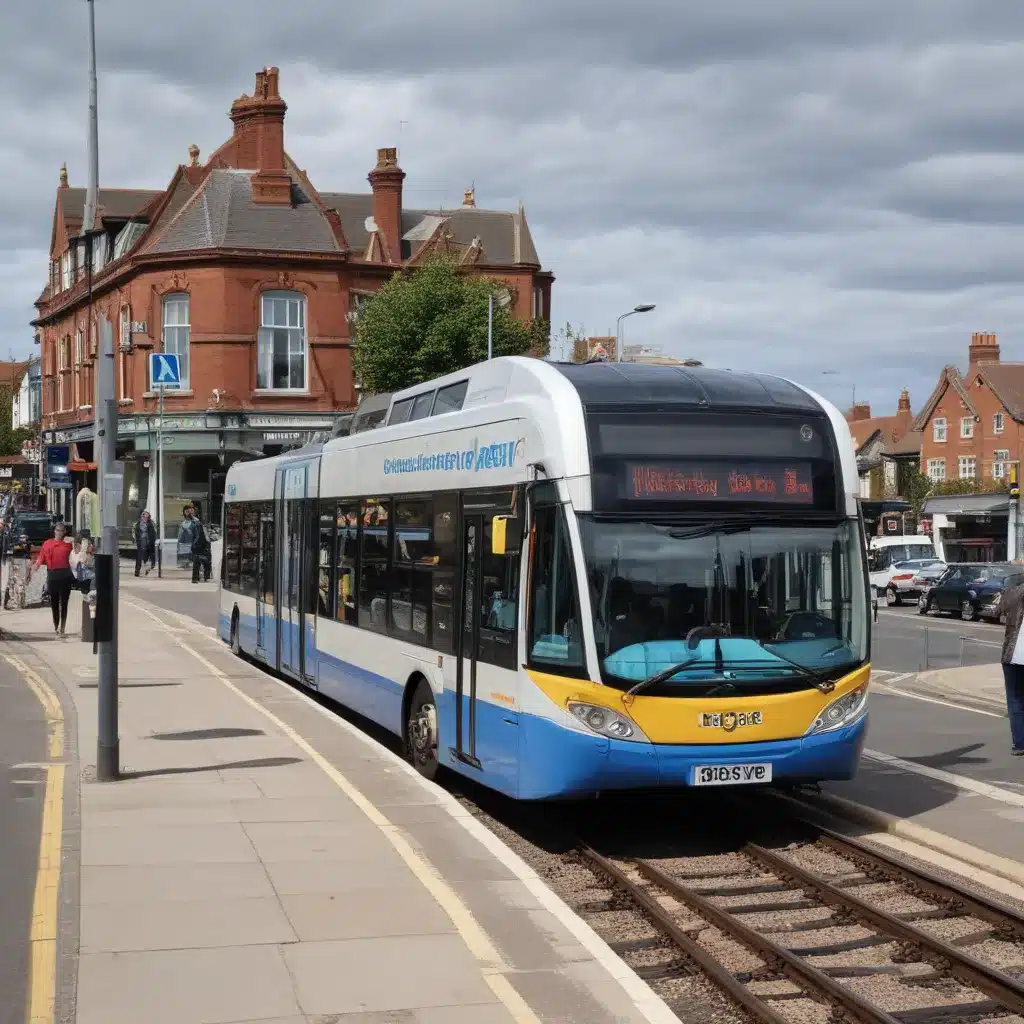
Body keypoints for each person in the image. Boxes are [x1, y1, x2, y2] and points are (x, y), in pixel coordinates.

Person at [34, 521, 74, 635]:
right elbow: (41, 558)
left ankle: (63, 627)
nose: (59, 533)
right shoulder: (47, 543)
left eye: (62, 531)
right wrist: (35, 567)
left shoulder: (68, 544)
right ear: (54, 531)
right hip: (52, 575)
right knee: (54, 603)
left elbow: (77, 555)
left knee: (64, 603)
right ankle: (56, 625)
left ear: (65, 532)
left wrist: (74, 540)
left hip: (65, 575)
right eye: (58, 530)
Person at [999, 576, 1024, 756]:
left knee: (1015, 700)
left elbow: (998, 610)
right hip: (1013, 654)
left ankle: (1019, 744)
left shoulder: (1014, 591)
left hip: (1013, 654)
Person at [133, 510, 157, 576]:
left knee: (148, 556)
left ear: (148, 516)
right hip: (141, 542)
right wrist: (136, 539)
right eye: (143, 514)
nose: (144, 516)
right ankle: (137, 570)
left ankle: (148, 569)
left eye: (145, 514)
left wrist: (153, 540)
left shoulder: (151, 523)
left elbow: (155, 532)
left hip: (149, 541)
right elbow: (134, 532)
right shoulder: (137, 524)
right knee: (139, 556)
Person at [190, 509, 212, 583]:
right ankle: (204, 576)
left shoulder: (196, 523)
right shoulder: (197, 524)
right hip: (200, 545)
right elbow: (199, 536)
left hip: (199, 545)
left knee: (198, 562)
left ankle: (197, 578)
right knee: (205, 561)